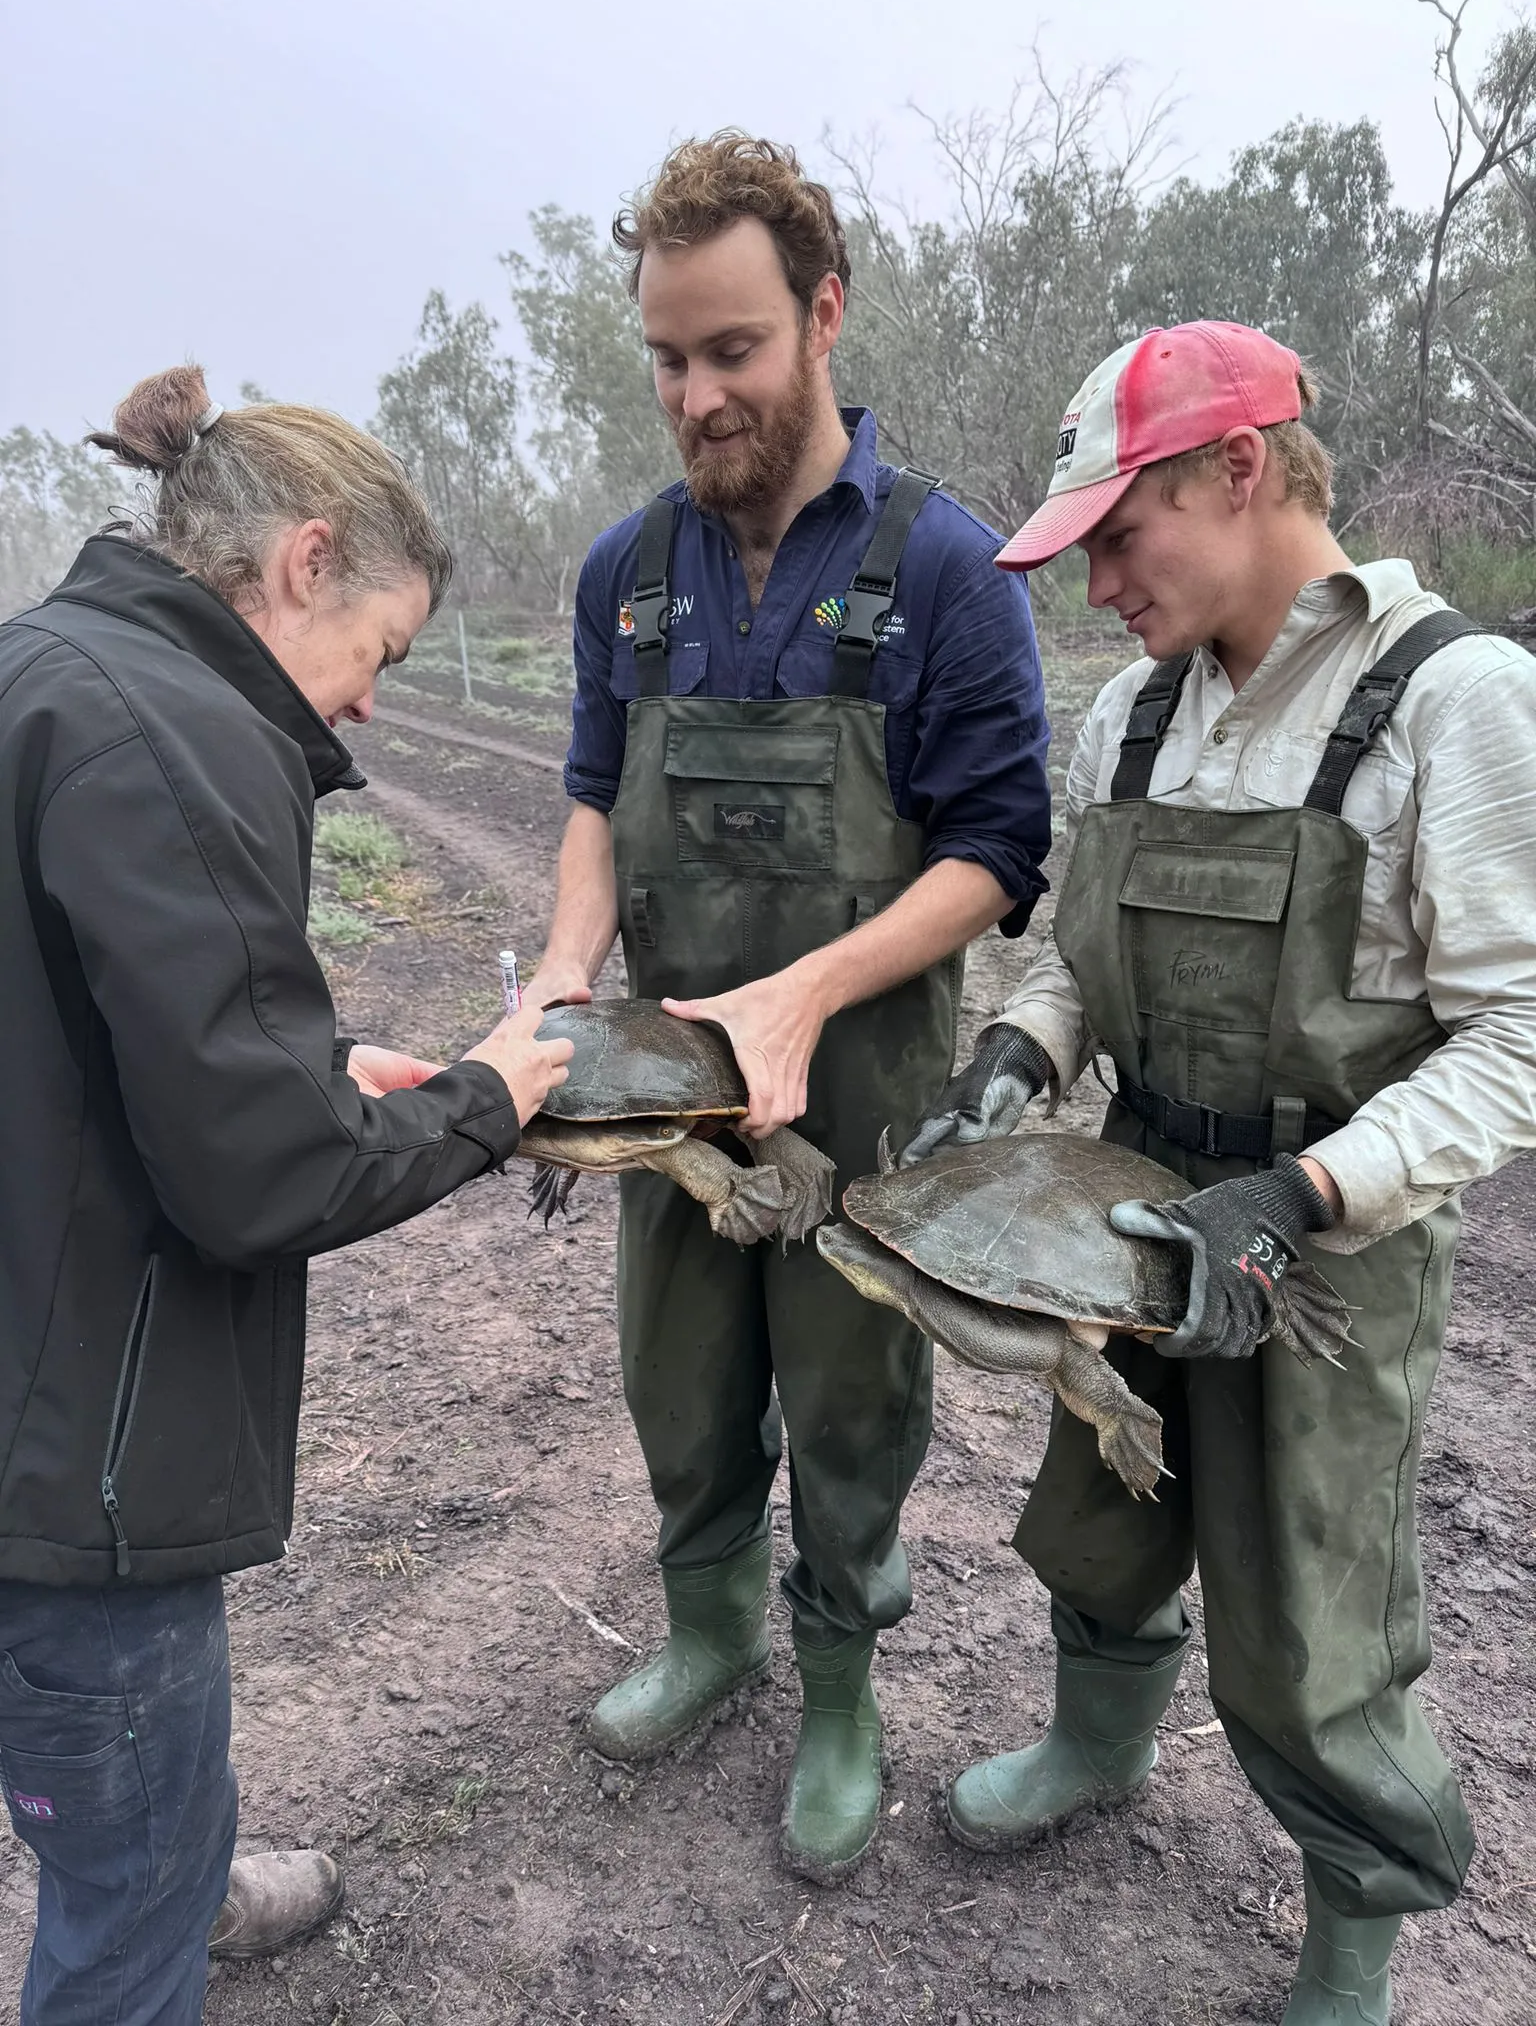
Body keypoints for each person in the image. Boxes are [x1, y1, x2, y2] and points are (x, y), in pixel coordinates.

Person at [902, 320, 1536, 2023]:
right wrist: (1020, 1047)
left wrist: (1305, 1196)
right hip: (1126, 1209)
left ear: (1240, 469)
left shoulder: (1449, 698)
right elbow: (1070, 954)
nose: (1101, 581)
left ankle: (1354, 1944)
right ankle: (1093, 1750)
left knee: (1313, 1626)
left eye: (1123, 532)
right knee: (1105, 1524)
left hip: (1329, 1248)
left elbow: (1520, 1035)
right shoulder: (1129, 714)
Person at [0, 367, 574, 2024]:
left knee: (117, 1781)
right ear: (306, 562)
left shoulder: (49, 670)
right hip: (75, 1475)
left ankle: (186, 1860)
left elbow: (95, 1041)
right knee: (117, 1908)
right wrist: (484, 1097)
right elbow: (259, 1178)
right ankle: (158, 1897)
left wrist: (309, 1066)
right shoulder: (177, 735)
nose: (377, 705)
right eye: (382, 653)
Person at [522, 134, 1052, 1883]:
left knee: (848, 1407)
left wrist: (807, 994)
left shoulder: (950, 576)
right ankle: (707, 1629)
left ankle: (840, 1689)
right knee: (676, 1381)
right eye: (668, 359)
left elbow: (996, 848)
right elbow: (597, 795)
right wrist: (556, 981)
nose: (696, 396)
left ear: (825, 318)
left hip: (862, 1092)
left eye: (732, 351)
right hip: (677, 1104)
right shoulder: (628, 576)